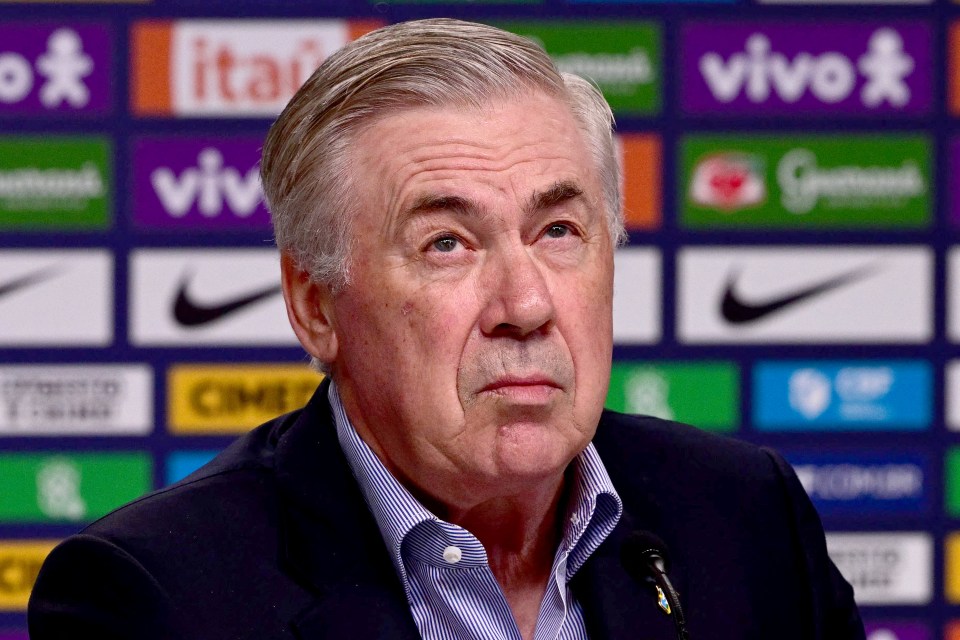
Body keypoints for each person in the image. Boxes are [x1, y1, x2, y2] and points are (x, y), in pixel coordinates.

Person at [29, 18, 864, 640]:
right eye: (447, 244)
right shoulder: (156, 597)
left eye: (559, 232)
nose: (526, 306)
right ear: (316, 305)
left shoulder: (747, 520)